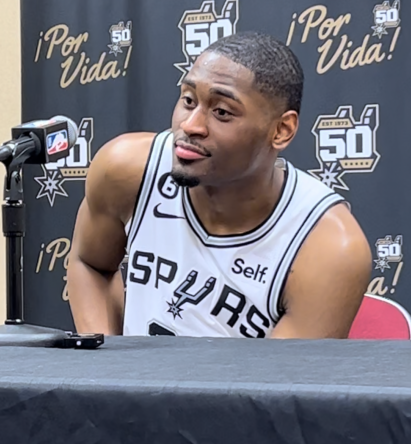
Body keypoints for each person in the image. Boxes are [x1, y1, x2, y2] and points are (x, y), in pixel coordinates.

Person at [66, 32, 373, 339]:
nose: (191, 126)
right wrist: (111, 371)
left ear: (281, 130)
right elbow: (90, 263)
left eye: (221, 112)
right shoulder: (127, 168)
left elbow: (282, 383)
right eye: (188, 100)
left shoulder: (327, 247)